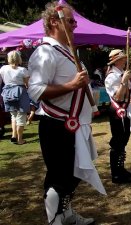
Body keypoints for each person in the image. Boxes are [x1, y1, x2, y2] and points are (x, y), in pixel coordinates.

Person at [27, 2, 105, 224]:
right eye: (71, 21)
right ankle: (55, 220)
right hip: (56, 124)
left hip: (75, 125)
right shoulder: (45, 51)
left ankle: (67, 215)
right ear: (54, 21)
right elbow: (35, 90)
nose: (74, 25)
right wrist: (71, 85)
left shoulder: (69, 52)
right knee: (58, 176)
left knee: (73, 174)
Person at [104, 49, 131, 184]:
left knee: (124, 139)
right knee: (117, 141)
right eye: (122, 59)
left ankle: (121, 168)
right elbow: (118, 96)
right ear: (116, 61)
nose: (125, 60)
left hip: (125, 109)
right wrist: (124, 81)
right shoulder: (112, 77)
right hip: (117, 111)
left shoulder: (122, 73)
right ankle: (116, 173)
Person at [0, 50, 30, 145]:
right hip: (20, 92)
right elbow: (27, 84)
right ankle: (20, 139)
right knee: (21, 116)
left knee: (13, 115)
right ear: (19, 58)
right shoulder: (22, 70)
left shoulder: (3, 68)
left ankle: (14, 135)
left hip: (7, 91)